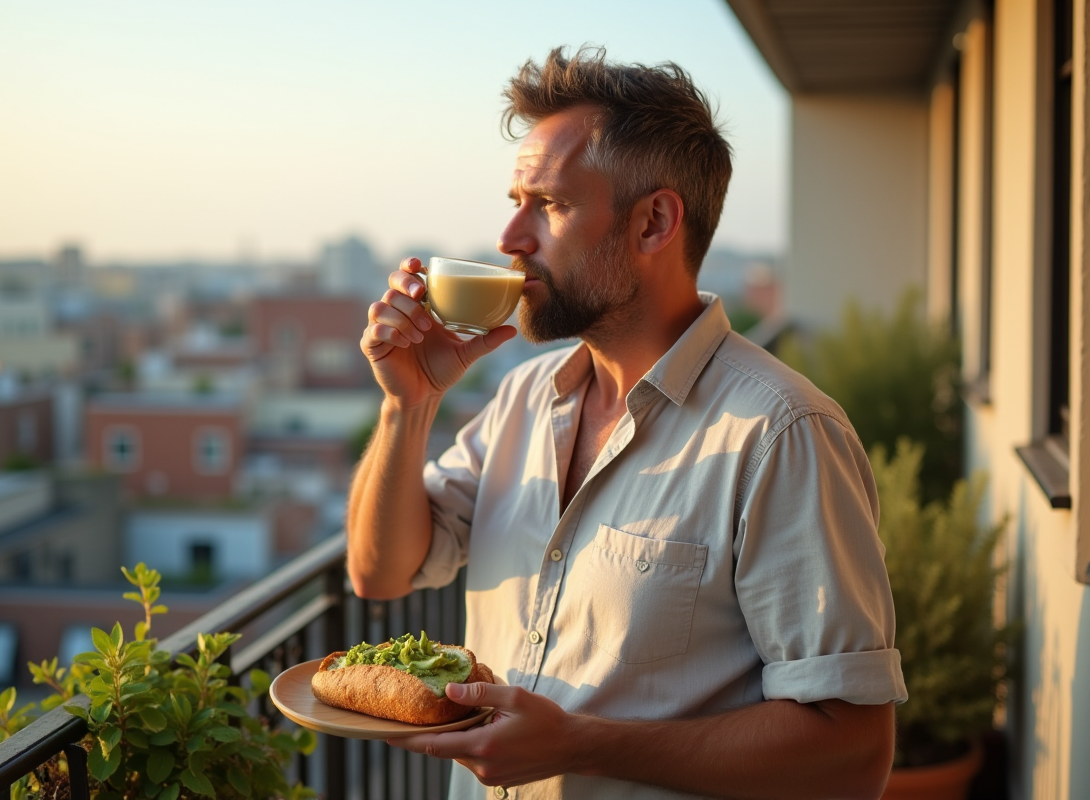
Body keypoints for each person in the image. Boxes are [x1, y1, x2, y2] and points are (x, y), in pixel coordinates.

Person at [347, 46, 907, 800]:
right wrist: (408, 405)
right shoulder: (524, 398)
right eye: (515, 201)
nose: (510, 238)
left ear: (654, 223)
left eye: (549, 205)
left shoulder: (781, 433)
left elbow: (853, 751)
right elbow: (379, 572)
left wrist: (577, 744)